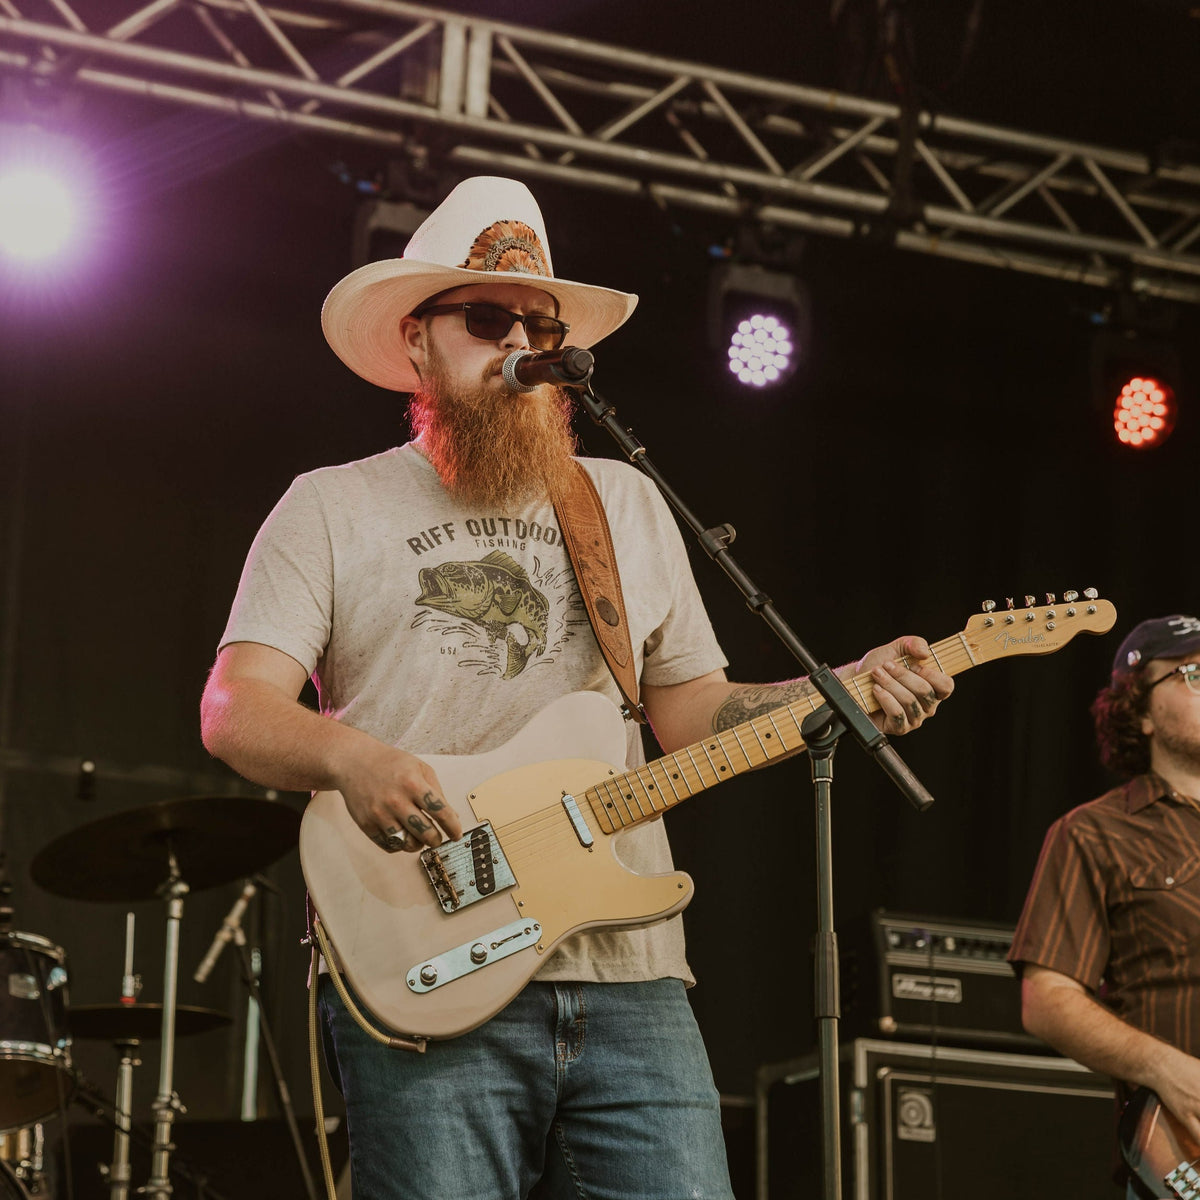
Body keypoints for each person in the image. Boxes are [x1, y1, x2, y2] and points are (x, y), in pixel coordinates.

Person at [199, 175, 953, 1200]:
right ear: (415, 341)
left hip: (630, 973)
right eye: (484, 318)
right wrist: (349, 755)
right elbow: (235, 707)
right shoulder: (331, 507)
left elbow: (693, 713)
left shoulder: (627, 504)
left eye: (537, 323)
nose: (518, 341)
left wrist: (836, 688)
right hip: (428, 950)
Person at [1009, 613, 1200, 1195]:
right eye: (1192, 673)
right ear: (1139, 712)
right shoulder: (1092, 834)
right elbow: (1048, 1000)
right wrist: (1169, 1070)